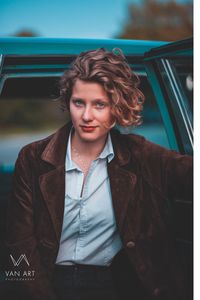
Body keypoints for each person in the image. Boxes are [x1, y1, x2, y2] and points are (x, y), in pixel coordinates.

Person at [5, 48, 192, 300]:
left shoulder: (140, 155)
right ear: (67, 101)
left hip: (117, 284)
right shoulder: (32, 158)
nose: (86, 116)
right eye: (78, 102)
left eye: (99, 104)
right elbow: (20, 247)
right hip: (48, 283)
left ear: (116, 108)